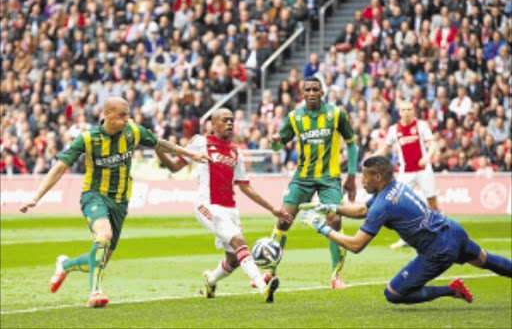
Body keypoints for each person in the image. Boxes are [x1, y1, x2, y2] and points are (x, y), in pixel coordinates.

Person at [19, 97, 211, 308]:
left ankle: (65, 265)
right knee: (104, 236)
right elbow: (59, 168)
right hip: (94, 195)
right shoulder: (87, 139)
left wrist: (191, 153)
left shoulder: (132, 131)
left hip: (120, 201)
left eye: (127, 114)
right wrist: (37, 196)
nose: (126, 119)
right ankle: (95, 292)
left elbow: (161, 143)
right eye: (122, 115)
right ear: (107, 114)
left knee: (101, 259)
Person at [300, 156, 512, 305]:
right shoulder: (395, 186)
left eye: (365, 177)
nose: (362, 181)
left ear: (378, 178)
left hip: (438, 249)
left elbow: (356, 245)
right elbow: (364, 209)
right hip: (453, 230)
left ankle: (451, 290)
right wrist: (334, 208)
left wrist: (322, 228)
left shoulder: (384, 205)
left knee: (393, 293)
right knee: (487, 260)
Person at [156, 108, 292, 303]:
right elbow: (173, 167)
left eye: (231, 120)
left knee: (234, 259)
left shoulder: (236, 152)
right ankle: (263, 287)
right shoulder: (200, 143)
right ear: (213, 124)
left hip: (230, 209)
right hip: (207, 205)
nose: (230, 123)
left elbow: (245, 186)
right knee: (239, 242)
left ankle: (210, 281)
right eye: (225, 120)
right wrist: (157, 148)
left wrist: (272, 208)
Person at [268, 76, 359, 289]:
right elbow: (279, 145)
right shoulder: (294, 117)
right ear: (302, 93)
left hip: (330, 178)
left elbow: (351, 144)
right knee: (283, 220)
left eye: (315, 89)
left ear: (322, 93)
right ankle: (269, 271)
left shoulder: (336, 114)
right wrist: (274, 143)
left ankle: (336, 275)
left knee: (334, 221)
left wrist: (352, 177)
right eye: (307, 89)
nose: (311, 93)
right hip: (303, 178)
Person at [375, 101, 438, 249]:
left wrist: (427, 157)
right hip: (405, 173)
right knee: (399, 204)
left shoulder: (421, 125)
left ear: (413, 110)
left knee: (432, 202)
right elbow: (385, 148)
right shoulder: (394, 129)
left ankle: (438, 231)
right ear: (399, 112)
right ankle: (405, 237)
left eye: (409, 109)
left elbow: (432, 144)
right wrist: (372, 158)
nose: (407, 112)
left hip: (424, 170)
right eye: (404, 109)